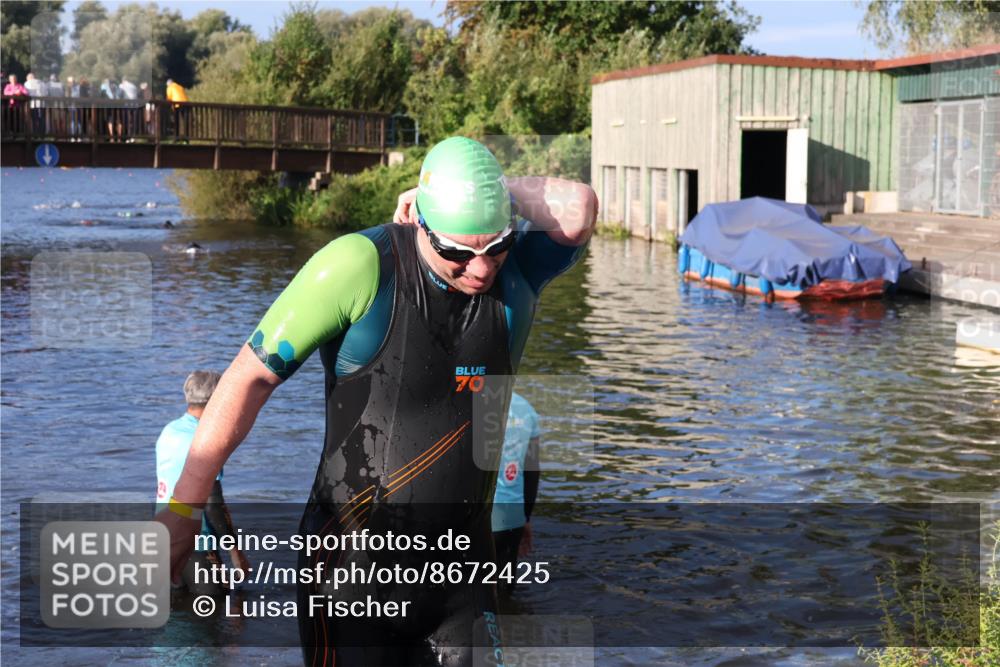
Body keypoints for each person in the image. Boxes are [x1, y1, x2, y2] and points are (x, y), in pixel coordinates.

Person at [159, 136, 598, 666]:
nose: (481, 269)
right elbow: (247, 378)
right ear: (422, 224)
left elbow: (578, 209)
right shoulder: (359, 266)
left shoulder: (519, 274)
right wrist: (182, 509)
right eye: (458, 251)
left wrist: (485, 191)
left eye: (496, 245)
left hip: (462, 581)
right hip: (348, 581)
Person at [156, 370, 250, 594]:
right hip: (197, 545)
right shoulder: (205, 439)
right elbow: (212, 503)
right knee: (217, 612)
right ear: (217, 400)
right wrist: (236, 553)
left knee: (178, 614)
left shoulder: (169, 431)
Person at [491, 392, 541, 596]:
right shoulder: (527, 410)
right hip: (512, 517)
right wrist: (525, 517)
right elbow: (532, 472)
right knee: (503, 591)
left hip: (474, 518)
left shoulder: (465, 403)